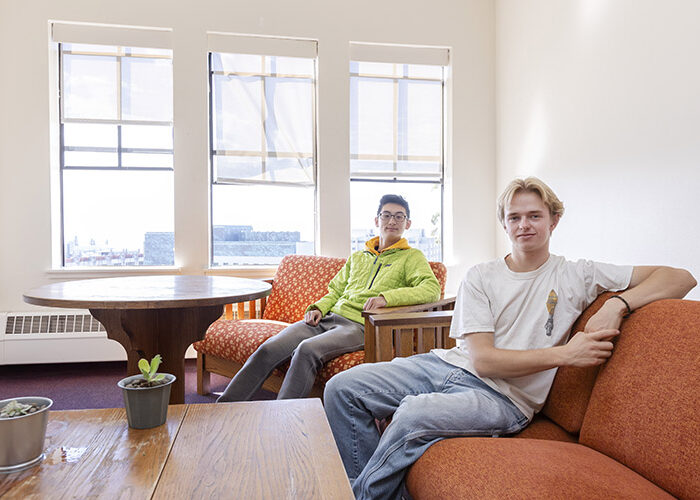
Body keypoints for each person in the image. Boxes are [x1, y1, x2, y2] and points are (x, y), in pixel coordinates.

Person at [324, 177, 696, 500]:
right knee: (342, 389)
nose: (524, 225)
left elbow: (680, 277)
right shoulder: (481, 276)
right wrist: (566, 354)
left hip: (504, 398)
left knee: (411, 415)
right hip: (450, 365)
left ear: (554, 219)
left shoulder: (577, 274)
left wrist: (617, 303)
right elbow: (483, 359)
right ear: (504, 223)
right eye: (514, 217)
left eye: (534, 215)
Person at [217, 194, 441, 402]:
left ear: (407, 224)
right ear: (377, 219)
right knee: (268, 349)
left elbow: (431, 289)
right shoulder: (358, 257)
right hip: (329, 318)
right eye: (387, 215)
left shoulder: (412, 257)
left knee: (307, 350)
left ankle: (284, 421)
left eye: (399, 216)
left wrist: (386, 297)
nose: (392, 221)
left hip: (361, 326)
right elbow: (335, 290)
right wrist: (318, 308)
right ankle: (224, 408)